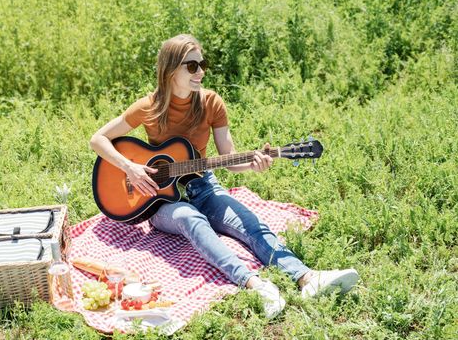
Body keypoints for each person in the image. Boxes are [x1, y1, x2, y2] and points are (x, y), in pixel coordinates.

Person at [90, 34, 359, 319]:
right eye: (192, 66)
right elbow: (98, 139)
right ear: (170, 70)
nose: (201, 71)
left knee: (251, 224)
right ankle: (255, 284)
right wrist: (130, 167)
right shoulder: (148, 106)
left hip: (203, 185)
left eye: (202, 64)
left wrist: (253, 164)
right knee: (190, 219)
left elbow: (229, 159)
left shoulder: (211, 103)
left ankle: (306, 278)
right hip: (157, 200)